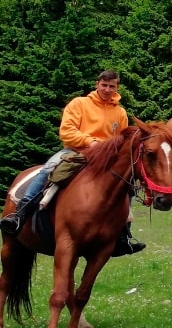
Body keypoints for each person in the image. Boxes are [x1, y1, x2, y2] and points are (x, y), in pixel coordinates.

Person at [1, 69, 145, 255]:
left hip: (106, 158)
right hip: (76, 151)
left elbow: (123, 140)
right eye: (104, 85)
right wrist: (90, 142)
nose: (107, 89)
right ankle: (20, 213)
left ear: (117, 88)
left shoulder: (120, 113)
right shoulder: (79, 104)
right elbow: (67, 131)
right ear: (97, 84)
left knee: (126, 184)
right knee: (49, 168)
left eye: (112, 86)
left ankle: (123, 234)